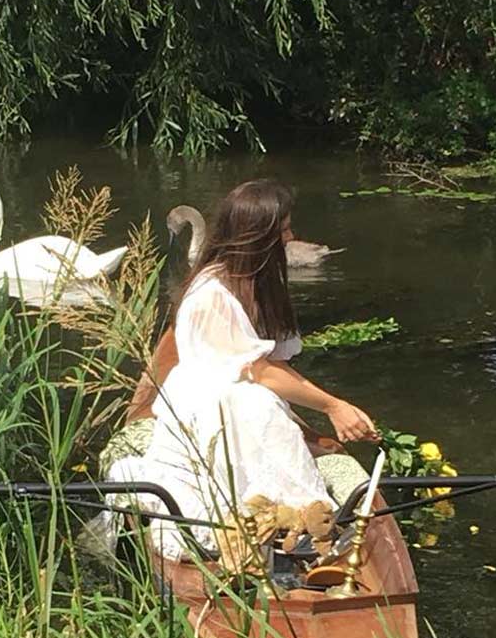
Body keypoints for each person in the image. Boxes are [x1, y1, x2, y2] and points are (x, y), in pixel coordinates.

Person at [108, 178, 378, 561]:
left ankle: (293, 527)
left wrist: (319, 420)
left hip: (242, 393)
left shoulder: (256, 281)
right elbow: (261, 372)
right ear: (260, 237)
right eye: (283, 229)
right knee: (258, 406)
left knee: (261, 406)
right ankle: (265, 526)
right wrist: (334, 406)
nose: (291, 236)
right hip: (209, 406)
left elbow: (274, 366)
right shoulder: (212, 294)